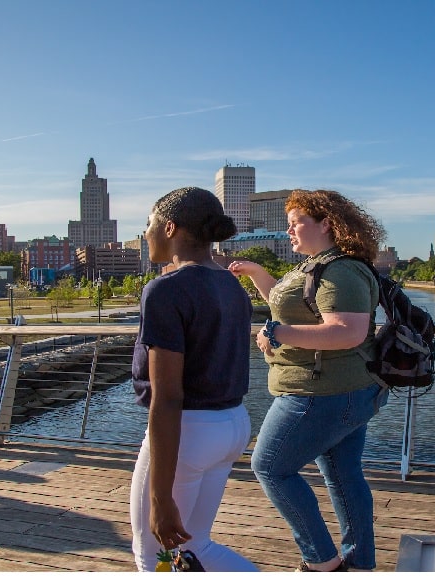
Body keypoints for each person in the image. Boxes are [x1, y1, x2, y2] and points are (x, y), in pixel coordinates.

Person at [228, 189, 388, 572]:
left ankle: (321, 561)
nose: (289, 230)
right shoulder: (318, 265)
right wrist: (257, 274)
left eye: (296, 222)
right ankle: (358, 564)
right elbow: (294, 308)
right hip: (340, 391)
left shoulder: (341, 270)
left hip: (320, 393)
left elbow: (347, 331)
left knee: (270, 467)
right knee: (344, 477)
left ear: (326, 224)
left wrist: (277, 333)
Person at [129, 187, 258, 572]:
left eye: (148, 224)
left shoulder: (166, 290)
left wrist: (161, 498)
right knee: (196, 545)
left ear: (169, 227)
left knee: (152, 554)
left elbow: (167, 397)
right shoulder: (231, 287)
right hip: (231, 425)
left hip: (189, 431)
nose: (146, 232)